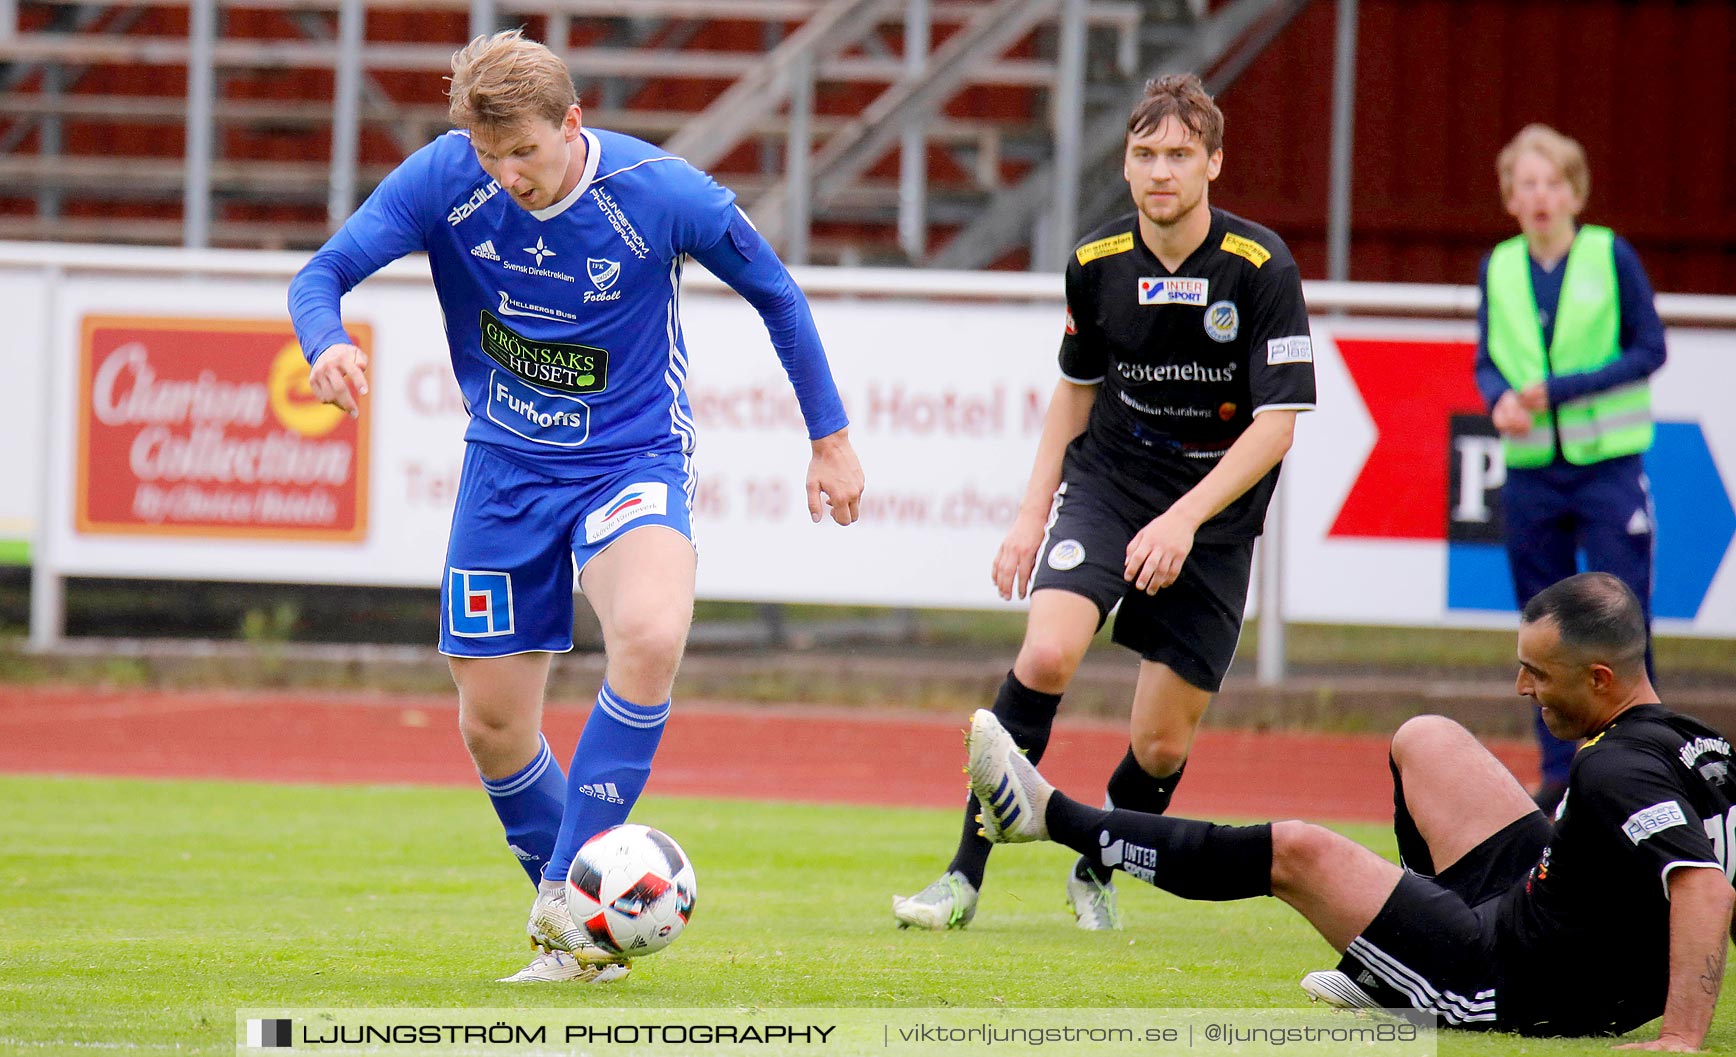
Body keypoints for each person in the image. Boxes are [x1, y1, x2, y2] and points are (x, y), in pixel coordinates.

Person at [287, 30, 864, 983]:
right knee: (493, 725)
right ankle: (591, 930)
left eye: (526, 152)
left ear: (573, 123)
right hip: (504, 470)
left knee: (647, 632)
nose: (508, 174)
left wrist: (829, 436)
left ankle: (563, 893)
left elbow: (777, 294)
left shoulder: (660, 193)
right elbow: (322, 275)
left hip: (628, 458)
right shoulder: (445, 179)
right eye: (489, 155)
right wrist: (324, 343)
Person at [967, 572, 1735, 1047]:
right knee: (1425, 738)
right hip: (1532, 906)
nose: (1522, 690)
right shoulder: (1695, 745)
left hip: (1502, 977)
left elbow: (1706, 885)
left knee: (1300, 848)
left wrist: (1679, 1036)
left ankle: (1051, 817)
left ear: (1600, 678)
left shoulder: (1615, 769)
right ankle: (1385, 964)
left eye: (1536, 674)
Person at [891, 73, 1315, 932]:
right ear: (1126, 163)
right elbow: (1074, 391)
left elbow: (1276, 429)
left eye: (1180, 155)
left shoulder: (1262, 267)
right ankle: (961, 877)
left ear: (1214, 163)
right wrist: (1028, 514)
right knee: (1046, 655)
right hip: (1111, 484)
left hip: (1214, 514)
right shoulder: (1093, 263)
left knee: (1161, 744)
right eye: (1145, 154)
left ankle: (1097, 861)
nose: (1161, 171)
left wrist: (1186, 519)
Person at [1476, 124, 1667, 815]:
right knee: (1543, 623)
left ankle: (1643, 759)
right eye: (1526, 184)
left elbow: (1649, 349)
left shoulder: (1609, 256)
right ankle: (1560, 771)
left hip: (1607, 466)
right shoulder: (1498, 266)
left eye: (1552, 182)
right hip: (1532, 470)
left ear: (1574, 190)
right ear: (1510, 197)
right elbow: (1488, 359)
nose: (1540, 196)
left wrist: (1564, 390)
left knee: (1623, 615)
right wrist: (1498, 398)